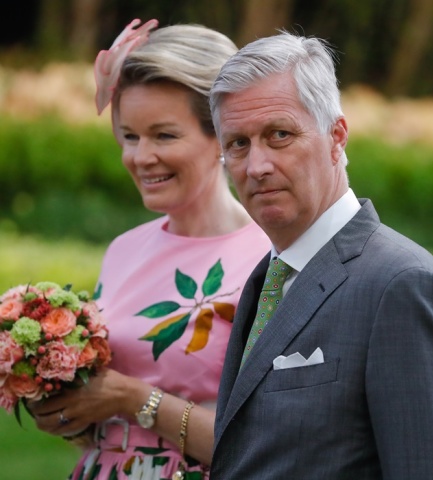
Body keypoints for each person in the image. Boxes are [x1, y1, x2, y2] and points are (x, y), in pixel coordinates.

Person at [208, 31, 433, 479]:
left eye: (279, 135)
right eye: (238, 144)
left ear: (337, 137)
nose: (256, 166)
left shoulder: (402, 285)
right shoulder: (268, 279)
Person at [29, 20, 270, 479]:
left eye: (164, 135)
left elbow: (265, 443)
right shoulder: (124, 249)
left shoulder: (267, 262)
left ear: (222, 136)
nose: (141, 157)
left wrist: (132, 397)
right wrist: (65, 405)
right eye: (130, 136)